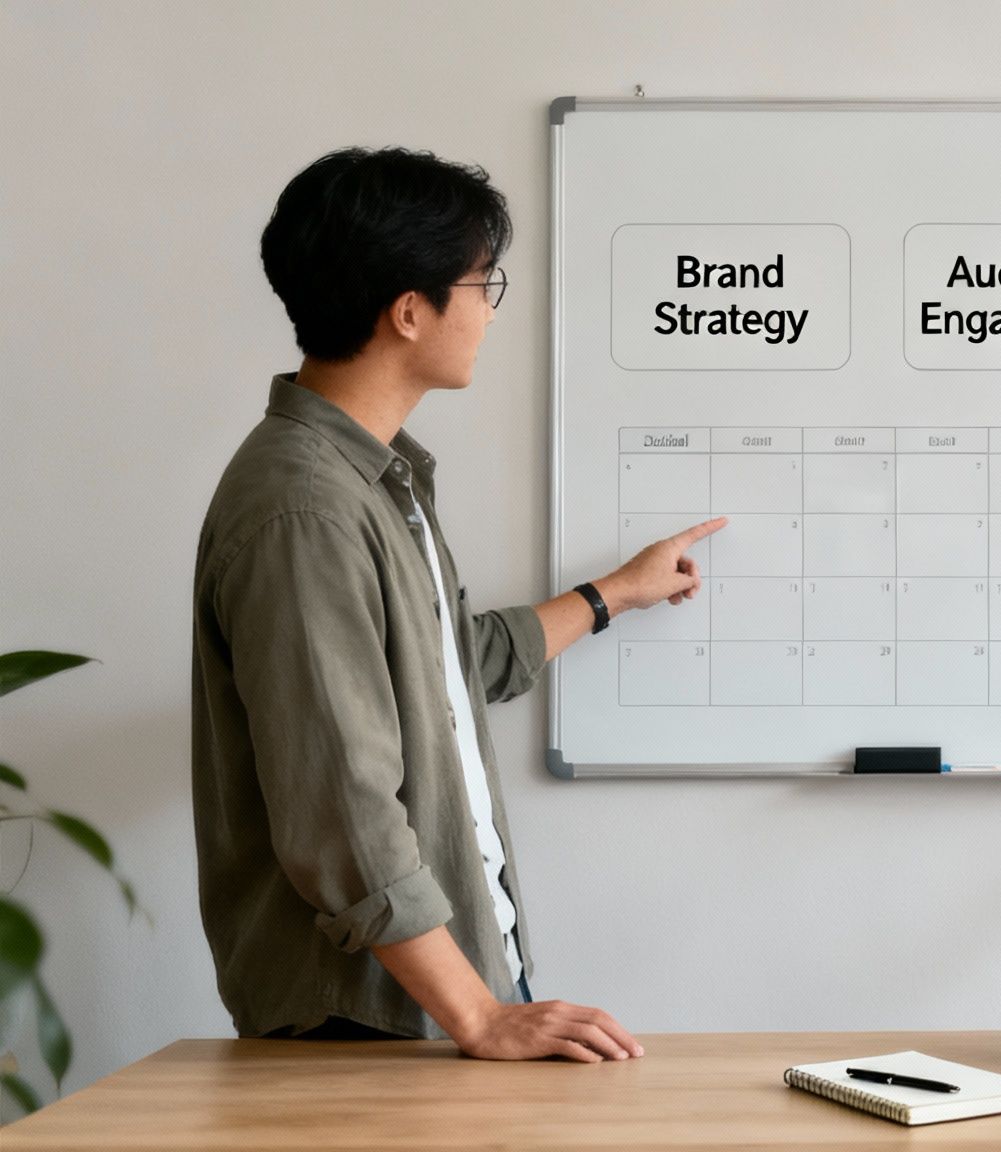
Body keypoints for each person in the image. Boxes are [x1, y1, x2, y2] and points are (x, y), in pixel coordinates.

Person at [190, 147, 722, 1060]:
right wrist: (478, 1015)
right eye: (482, 284)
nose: (486, 310)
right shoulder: (305, 512)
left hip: (430, 995)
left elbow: (443, 671)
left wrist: (615, 595)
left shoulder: (379, 482)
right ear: (408, 311)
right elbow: (342, 811)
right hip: (367, 1018)